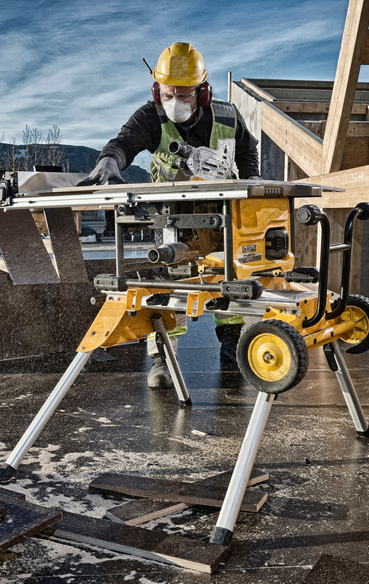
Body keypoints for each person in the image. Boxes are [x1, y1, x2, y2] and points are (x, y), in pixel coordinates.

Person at [78, 42, 260, 388]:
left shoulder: (227, 115)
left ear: (202, 92)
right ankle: (163, 358)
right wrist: (108, 162)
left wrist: (249, 184)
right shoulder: (150, 115)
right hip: (172, 215)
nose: (175, 100)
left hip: (222, 212)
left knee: (229, 277)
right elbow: (124, 143)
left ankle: (232, 346)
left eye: (184, 94)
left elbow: (248, 150)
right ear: (157, 89)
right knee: (171, 285)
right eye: (168, 93)